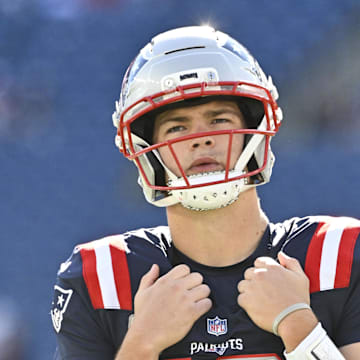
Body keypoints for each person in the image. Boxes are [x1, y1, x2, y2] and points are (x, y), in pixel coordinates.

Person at [51, 26, 360, 359]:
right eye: (177, 126)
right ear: (147, 149)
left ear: (253, 131)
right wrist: (142, 343)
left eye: (218, 119)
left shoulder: (338, 256)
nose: (200, 138)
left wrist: (298, 326)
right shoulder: (102, 278)